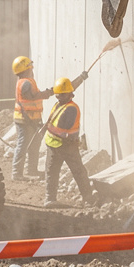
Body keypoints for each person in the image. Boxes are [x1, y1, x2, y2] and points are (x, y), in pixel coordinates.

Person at [11, 57, 88, 181]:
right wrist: (50, 92)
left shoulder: (25, 81)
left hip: (30, 119)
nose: (32, 70)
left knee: (34, 145)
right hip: (25, 120)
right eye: (30, 67)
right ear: (27, 69)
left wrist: (52, 91)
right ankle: (16, 173)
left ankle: (32, 170)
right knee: (23, 145)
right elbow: (33, 97)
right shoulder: (26, 83)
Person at [43, 75, 99, 208]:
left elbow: (63, 129)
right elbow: (70, 86)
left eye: (61, 95)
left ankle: (87, 199)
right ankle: (51, 199)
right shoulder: (62, 105)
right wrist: (81, 78)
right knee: (55, 172)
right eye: (58, 95)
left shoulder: (69, 108)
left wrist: (48, 127)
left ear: (69, 94)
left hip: (66, 145)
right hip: (57, 146)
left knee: (76, 172)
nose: (59, 97)